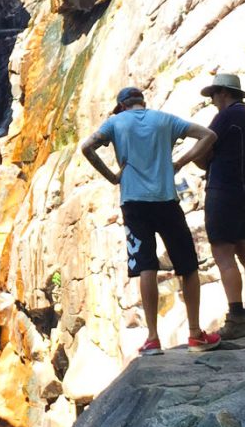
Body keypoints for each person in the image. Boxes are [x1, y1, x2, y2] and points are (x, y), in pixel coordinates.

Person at [81, 86, 221, 354]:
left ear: (122, 105)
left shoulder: (115, 122)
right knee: (187, 264)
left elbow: (87, 147)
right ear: (142, 102)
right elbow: (208, 135)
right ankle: (195, 335)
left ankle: (153, 339)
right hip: (166, 199)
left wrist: (113, 176)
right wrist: (179, 162)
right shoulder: (164, 119)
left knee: (146, 266)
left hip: (134, 203)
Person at [195, 72, 245, 339]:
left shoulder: (226, 116)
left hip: (223, 190)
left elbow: (203, 153)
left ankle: (235, 318)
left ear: (223, 93)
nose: (212, 101)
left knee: (224, 254)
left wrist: (191, 159)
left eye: (213, 95)